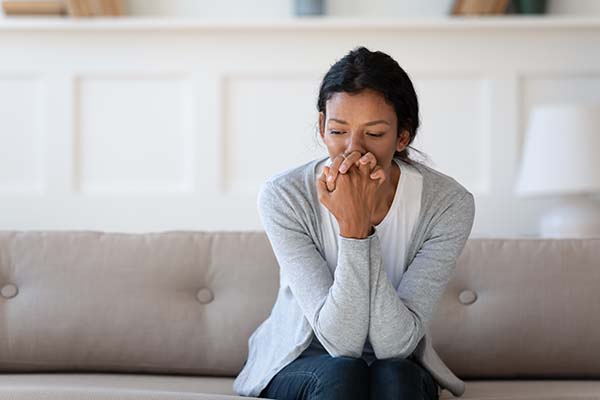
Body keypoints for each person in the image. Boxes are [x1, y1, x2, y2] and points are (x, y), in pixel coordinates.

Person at [233, 46, 475, 400]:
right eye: (337, 131)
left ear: (403, 136)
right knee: (343, 374)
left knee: (395, 376)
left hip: (397, 360)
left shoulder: (448, 204)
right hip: (304, 359)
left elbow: (396, 345)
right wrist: (355, 229)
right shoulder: (285, 196)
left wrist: (357, 227)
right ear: (321, 126)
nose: (352, 150)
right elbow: (340, 343)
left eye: (374, 134)